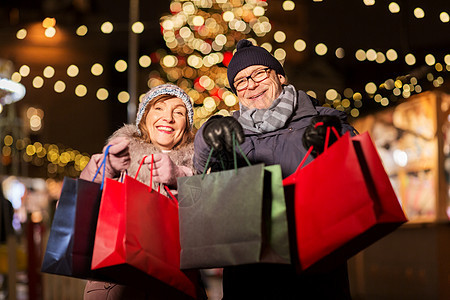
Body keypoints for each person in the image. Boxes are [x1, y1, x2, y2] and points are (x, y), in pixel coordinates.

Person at [193, 39, 358, 299]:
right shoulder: (229, 132)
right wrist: (205, 137)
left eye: (259, 73)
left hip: (315, 267)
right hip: (250, 271)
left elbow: (357, 171)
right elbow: (201, 178)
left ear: (280, 76)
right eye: (241, 81)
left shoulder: (321, 120)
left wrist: (336, 140)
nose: (251, 85)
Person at [79, 83, 205, 300]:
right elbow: (83, 206)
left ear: (187, 125)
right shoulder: (120, 153)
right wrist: (104, 170)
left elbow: (211, 218)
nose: (168, 118)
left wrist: (180, 178)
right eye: (159, 108)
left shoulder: (199, 165)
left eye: (179, 112)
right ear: (144, 116)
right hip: (116, 283)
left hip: (174, 282)